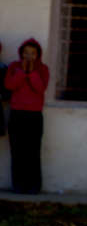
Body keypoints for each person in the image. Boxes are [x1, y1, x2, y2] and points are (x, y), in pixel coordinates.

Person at [5, 38, 49, 194]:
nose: (29, 56)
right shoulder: (14, 67)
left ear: (38, 55)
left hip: (34, 116)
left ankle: (33, 186)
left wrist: (31, 73)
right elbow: (9, 85)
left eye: (32, 53)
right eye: (26, 53)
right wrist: (22, 72)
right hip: (17, 114)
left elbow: (40, 89)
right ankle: (18, 185)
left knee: (32, 152)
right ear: (21, 53)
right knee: (17, 152)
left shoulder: (43, 69)